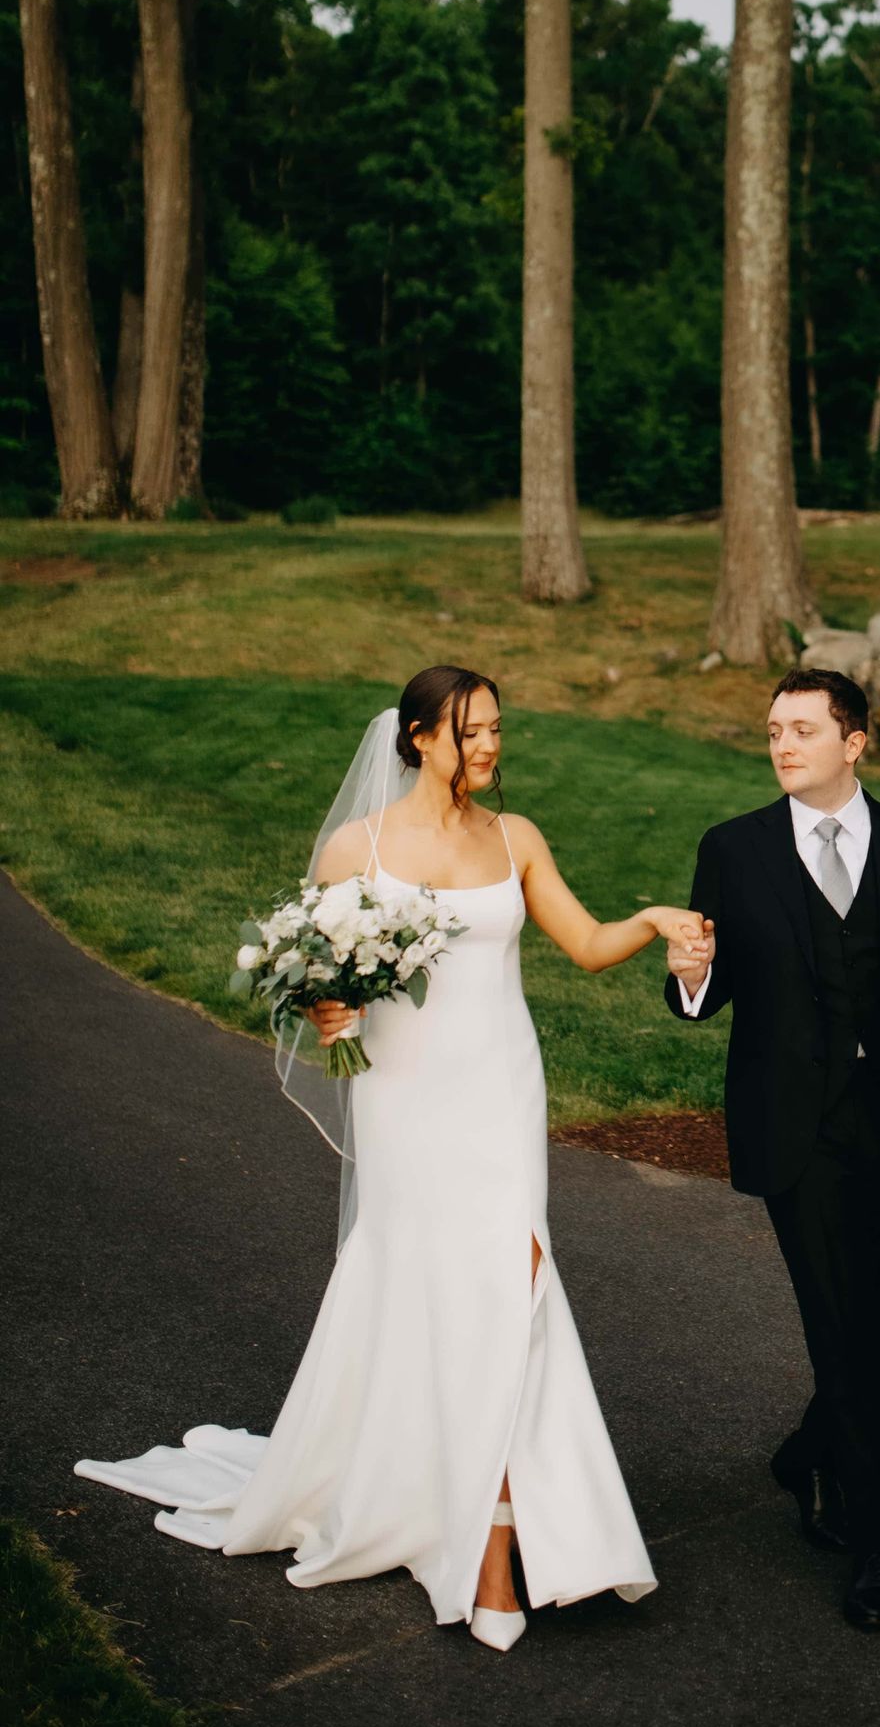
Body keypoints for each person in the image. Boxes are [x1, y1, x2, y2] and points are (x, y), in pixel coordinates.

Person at [78, 665, 710, 1655]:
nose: (489, 746)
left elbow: (587, 943)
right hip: (404, 1099)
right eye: (470, 732)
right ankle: (470, 1533)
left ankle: (501, 1539)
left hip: (499, 1089)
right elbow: (316, 986)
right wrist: (331, 1012)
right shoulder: (357, 849)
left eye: (497, 728)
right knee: (429, 1289)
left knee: (516, 1284)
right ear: (418, 738)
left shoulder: (517, 838)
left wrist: (653, 922)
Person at [664, 666, 880, 1633]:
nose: (782, 744)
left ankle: (809, 1450)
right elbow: (704, 995)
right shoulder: (733, 849)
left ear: (854, 744)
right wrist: (691, 974)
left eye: (803, 729)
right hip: (796, 1129)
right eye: (774, 729)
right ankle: (878, 1544)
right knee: (844, 1325)